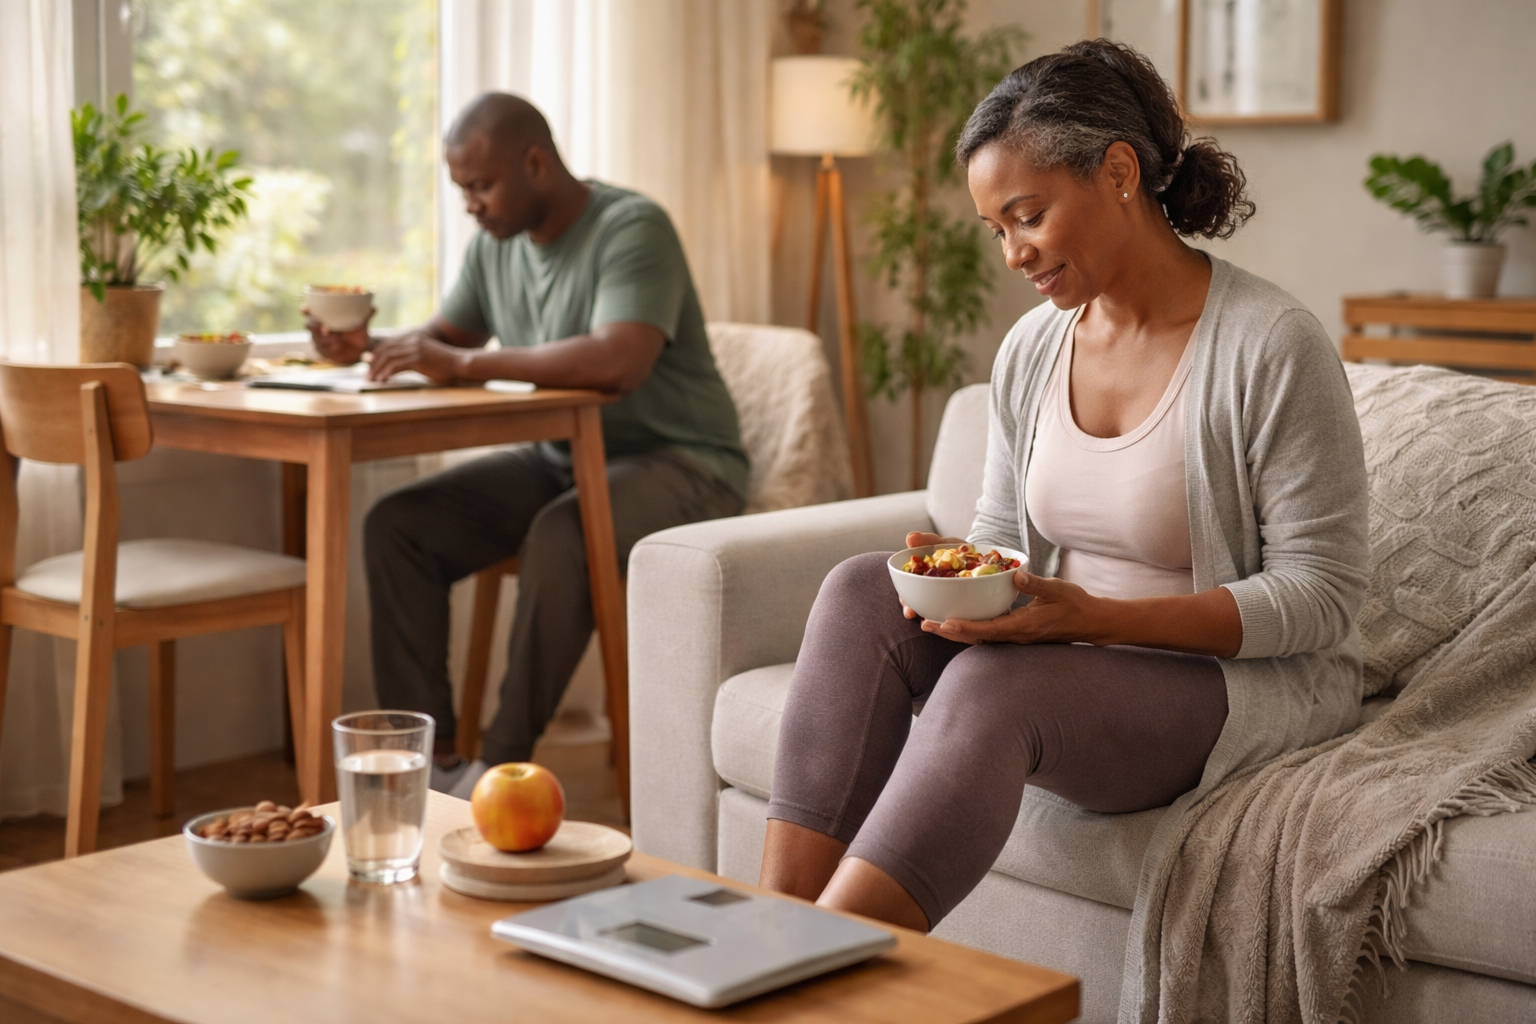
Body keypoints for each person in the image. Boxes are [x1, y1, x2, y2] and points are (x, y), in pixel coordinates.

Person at [757, 40, 1369, 933]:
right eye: (995, 229)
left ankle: (826, 965)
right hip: (1068, 653)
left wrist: (1090, 618)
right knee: (860, 589)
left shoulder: (1271, 344)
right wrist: (970, 573)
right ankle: (770, 927)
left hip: (1224, 688)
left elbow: (1324, 597)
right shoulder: (1034, 348)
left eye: (1027, 215)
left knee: (992, 692)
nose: (1012, 254)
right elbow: (1005, 529)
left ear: (1119, 173)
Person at [307, 93, 747, 797]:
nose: (472, 206)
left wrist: (468, 364)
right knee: (400, 526)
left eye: (480, 186)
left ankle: (498, 767)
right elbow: (443, 346)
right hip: (564, 458)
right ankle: (430, 765)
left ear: (535, 163)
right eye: (462, 191)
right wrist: (370, 348)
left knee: (561, 534)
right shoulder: (494, 249)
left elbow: (618, 362)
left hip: (685, 462)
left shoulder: (633, 227)